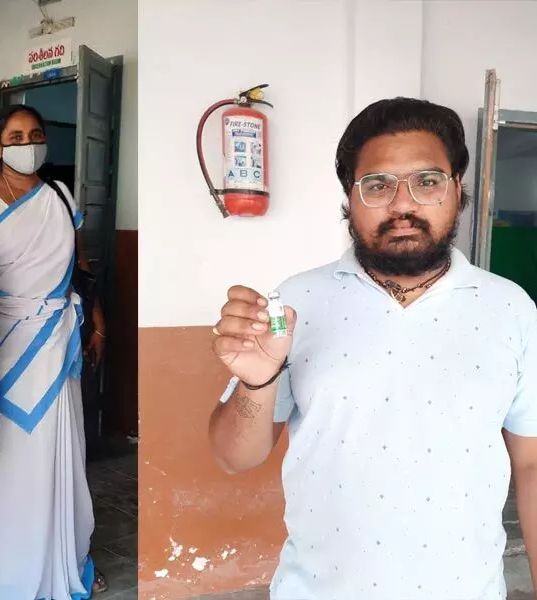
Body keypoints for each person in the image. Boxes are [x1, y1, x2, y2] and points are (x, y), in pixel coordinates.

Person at [209, 97, 537, 599]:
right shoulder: (296, 301)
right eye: (378, 185)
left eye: (427, 181)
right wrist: (258, 381)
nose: (403, 205)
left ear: (457, 190)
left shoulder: (510, 307)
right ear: (349, 196)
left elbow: (532, 466)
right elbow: (235, 457)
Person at [0, 105, 108, 599]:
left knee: (61, 449)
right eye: (16, 135)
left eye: (36, 134)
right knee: (12, 456)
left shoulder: (59, 194)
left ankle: (66, 555)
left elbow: (77, 261)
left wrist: (96, 317)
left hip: (58, 342)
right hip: (3, 344)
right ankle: (13, 565)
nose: (28, 142)